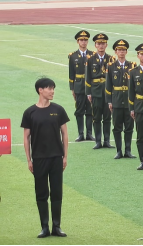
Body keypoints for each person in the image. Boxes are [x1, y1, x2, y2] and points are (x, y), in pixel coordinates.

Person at [21, 78, 69, 238]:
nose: (52, 91)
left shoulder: (59, 110)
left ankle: (57, 226)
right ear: (40, 90)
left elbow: (65, 134)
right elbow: (26, 138)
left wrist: (65, 156)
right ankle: (44, 227)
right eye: (50, 88)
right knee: (41, 193)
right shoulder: (30, 112)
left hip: (56, 158)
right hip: (39, 159)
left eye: (53, 88)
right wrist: (29, 159)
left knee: (57, 193)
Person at [105, 39, 136, 160]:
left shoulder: (132, 66)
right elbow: (108, 85)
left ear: (126, 52)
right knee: (117, 127)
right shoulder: (111, 66)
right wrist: (109, 101)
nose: (121, 52)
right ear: (115, 52)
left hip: (128, 101)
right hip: (117, 100)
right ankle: (119, 151)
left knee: (129, 127)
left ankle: (128, 150)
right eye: (119, 50)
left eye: (123, 50)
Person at [85, 33, 115, 149]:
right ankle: (98, 141)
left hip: (107, 91)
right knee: (96, 117)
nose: (101, 46)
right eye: (99, 44)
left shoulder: (111, 59)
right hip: (96, 91)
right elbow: (87, 77)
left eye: (103, 43)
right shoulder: (90, 59)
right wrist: (88, 92)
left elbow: (112, 77)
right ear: (95, 45)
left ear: (106, 45)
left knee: (107, 117)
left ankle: (106, 140)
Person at [68, 30, 94, 142]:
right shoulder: (73, 56)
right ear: (78, 41)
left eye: (85, 40)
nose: (84, 42)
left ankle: (89, 133)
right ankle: (80, 134)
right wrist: (72, 88)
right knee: (79, 110)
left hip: (90, 87)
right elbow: (71, 73)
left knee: (89, 110)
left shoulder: (93, 55)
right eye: (81, 40)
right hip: (79, 86)